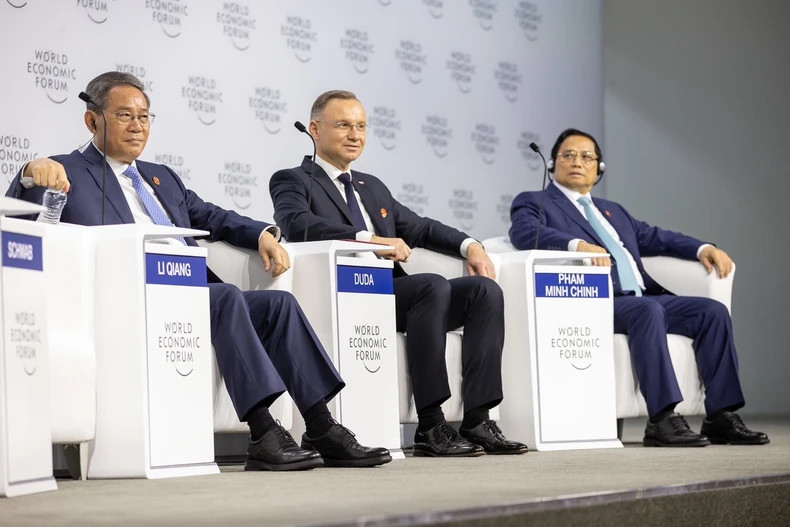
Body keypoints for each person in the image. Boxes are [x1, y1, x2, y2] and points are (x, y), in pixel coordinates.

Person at [6, 71, 392, 470]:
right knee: (225, 298)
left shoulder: (161, 177)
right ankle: (262, 432)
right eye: (124, 116)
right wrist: (28, 173)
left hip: (190, 293)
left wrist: (261, 233)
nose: (138, 126)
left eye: (144, 117)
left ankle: (321, 426)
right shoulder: (65, 169)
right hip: (129, 297)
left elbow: (211, 215)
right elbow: (25, 216)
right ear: (92, 121)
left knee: (278, 305)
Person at [269, 90, 527, 456]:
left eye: (360, 126)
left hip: (396, 296)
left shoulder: (370, 186)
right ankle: (431, 424)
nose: (354, 134)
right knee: (431, 286)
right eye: (343, 125)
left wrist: (470, 245)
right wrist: (367, 240)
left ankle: (478, 420)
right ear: (314, 129)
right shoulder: (292, 179)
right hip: (347, 295)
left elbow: (420, 227)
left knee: (483, 292)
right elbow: (297, 224)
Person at [509, 128, 768, 447]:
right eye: (568, 155)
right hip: (594, 300)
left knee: (710, 312)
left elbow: (658, 238)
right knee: (649, 310)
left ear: (599, 169)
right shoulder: (536, 202)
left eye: (587, 156)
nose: (578, 161)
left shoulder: (613, 211)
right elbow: (523, 234)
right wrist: (576, 245)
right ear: (552, 164)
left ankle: (720, 417)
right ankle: (662, 419)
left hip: (642, 299)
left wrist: (704, 248)